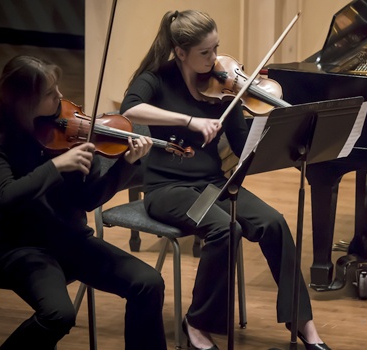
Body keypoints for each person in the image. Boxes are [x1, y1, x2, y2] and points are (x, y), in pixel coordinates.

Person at [119, 10, 330, 350]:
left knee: (274, 223)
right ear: (180, 51)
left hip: (212, 184)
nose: (214, 58)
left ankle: (302, 321)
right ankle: (197, 324)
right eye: (205, 52)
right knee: (224, 229)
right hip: (167, 188)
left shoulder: (223, 87)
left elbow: (242, 145)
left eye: (216, 48)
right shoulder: (157, 78)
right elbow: (129, 109)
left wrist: (277, 136)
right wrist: (189, 121)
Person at [0, 55, 164, 349]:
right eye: (50, 93)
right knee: (58, 315)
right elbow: (5, 196)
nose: (60, 96)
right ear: (24, 102)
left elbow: (89, 200)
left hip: (72, 241)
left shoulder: (67, 134)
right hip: (23, 249)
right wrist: (56, 166)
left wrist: (127, 164)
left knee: (148, 283)